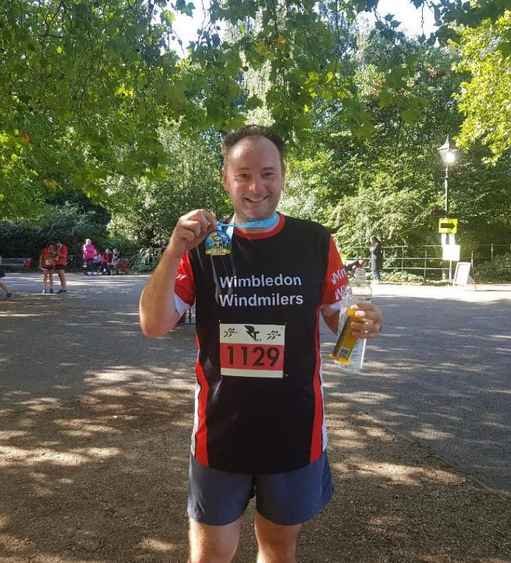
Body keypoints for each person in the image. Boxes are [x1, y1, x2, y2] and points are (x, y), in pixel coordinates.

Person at [139, 125, 383, 563]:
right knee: (210, 556)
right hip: (220, 435)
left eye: (268, 173)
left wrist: (360, 323)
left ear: (284, 174)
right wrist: (173, 250)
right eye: (243, 175)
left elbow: (338, 320)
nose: (256, 187)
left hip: (294, 433)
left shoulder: (315, 241)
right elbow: (154, 324)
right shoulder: (202, 245)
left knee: (277, 552)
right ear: (224, 178)